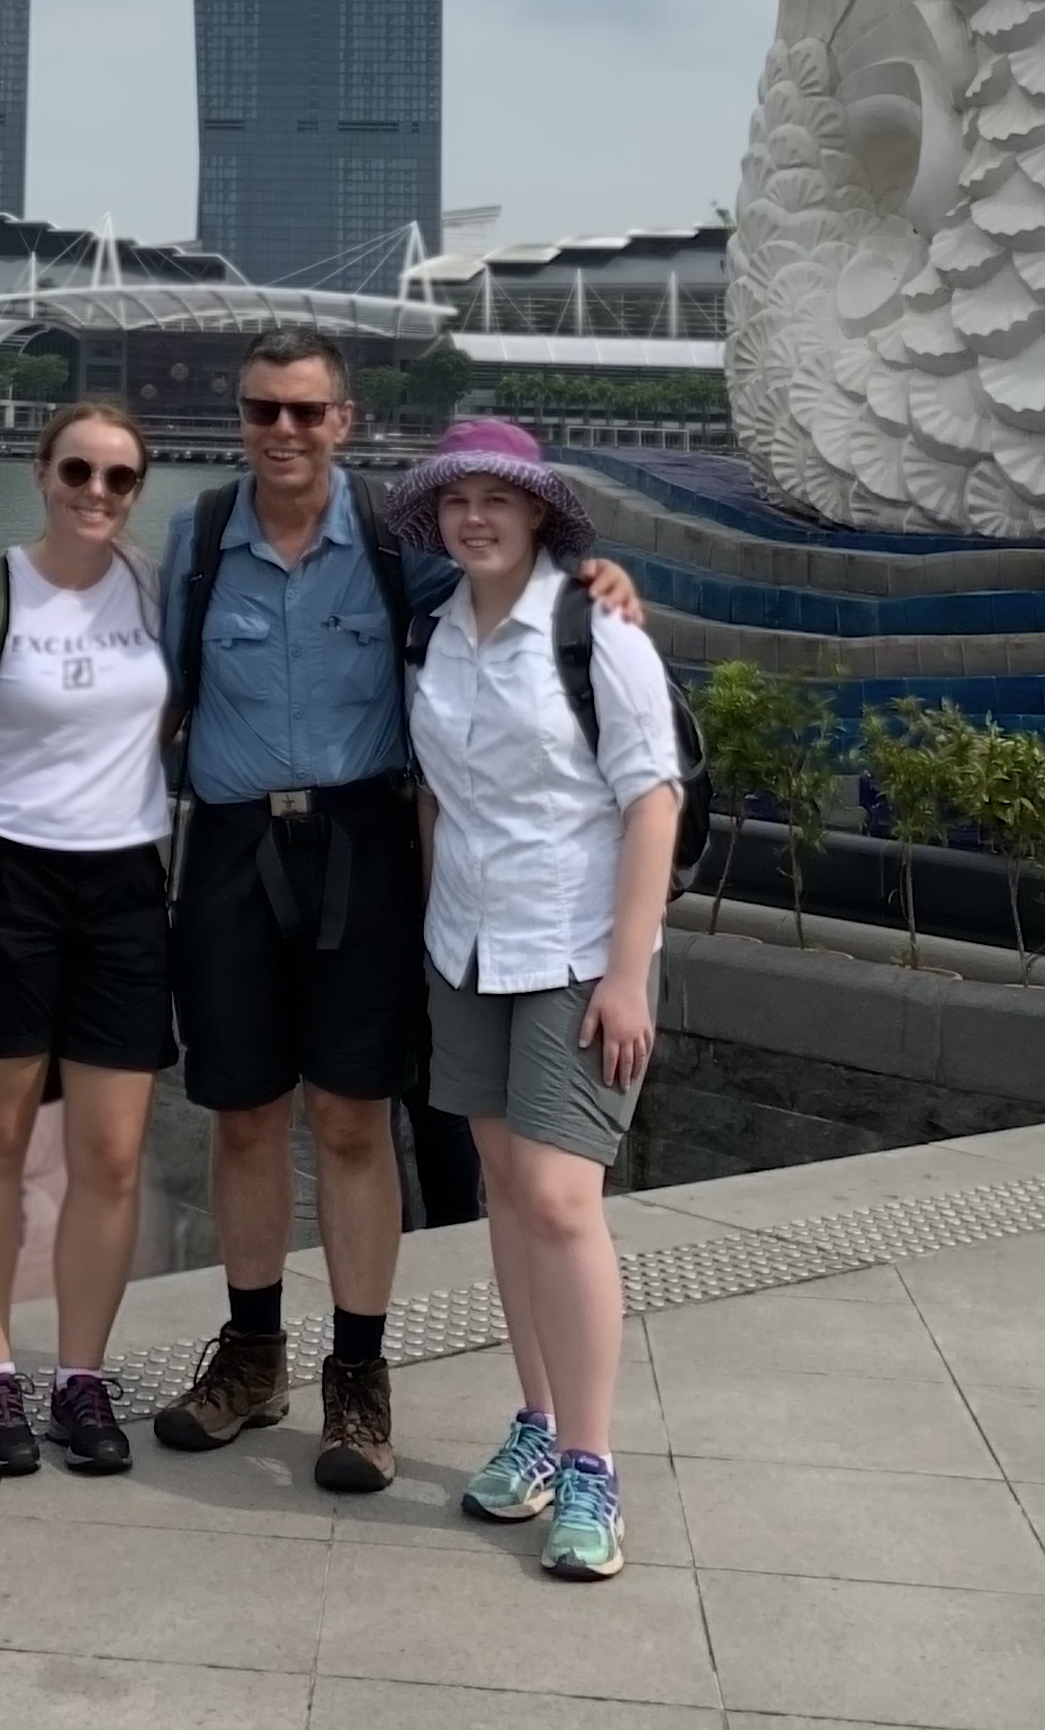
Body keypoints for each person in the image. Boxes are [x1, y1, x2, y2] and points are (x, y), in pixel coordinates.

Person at [151, 335, 642, 1496]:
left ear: (345, 419)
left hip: (362, 844)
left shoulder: (390, 541)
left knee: (354, 1114)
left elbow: (500, 581)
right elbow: (157, 690)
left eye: (306, 411)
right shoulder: (197, 538)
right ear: (239, 417)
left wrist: (600, 577)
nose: (284, 430)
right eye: (263, 409)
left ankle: (359, 1376)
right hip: (228, 846)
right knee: (242, 1114)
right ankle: (253, 1352)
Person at [396, 422, 681, 1582]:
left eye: (499, 500)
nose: (476, 517)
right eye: (457, 499)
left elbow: (652, 800)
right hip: (467, 945)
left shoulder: (594, 627)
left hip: (574, 946)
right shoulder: (434, 633)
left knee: (563, 1200)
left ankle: (593, 1462)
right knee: (506, 1193)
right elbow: (436, 798)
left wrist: (628, 972)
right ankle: (536, 1422)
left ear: (538, 516)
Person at [0, 398, 169, 1479]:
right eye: (78, 471)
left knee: (110, 1153)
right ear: (41, 473)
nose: (96, 493)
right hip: (1, 880)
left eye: (119, 477)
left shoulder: (157, 590)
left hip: (126, 886)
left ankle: (82, 1376)